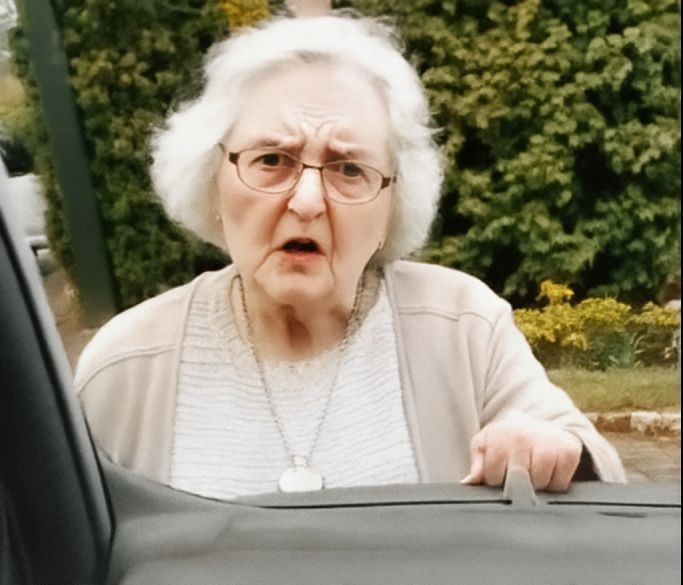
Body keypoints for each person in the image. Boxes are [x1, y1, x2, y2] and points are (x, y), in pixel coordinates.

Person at [75, 12, 626, 500]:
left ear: (392, 206)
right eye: (272, 160)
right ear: (212, 182)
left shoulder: (463, 327)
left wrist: (549, 451)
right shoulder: (126, 364)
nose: (307, 201)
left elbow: (595, 477)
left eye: (348, 169)